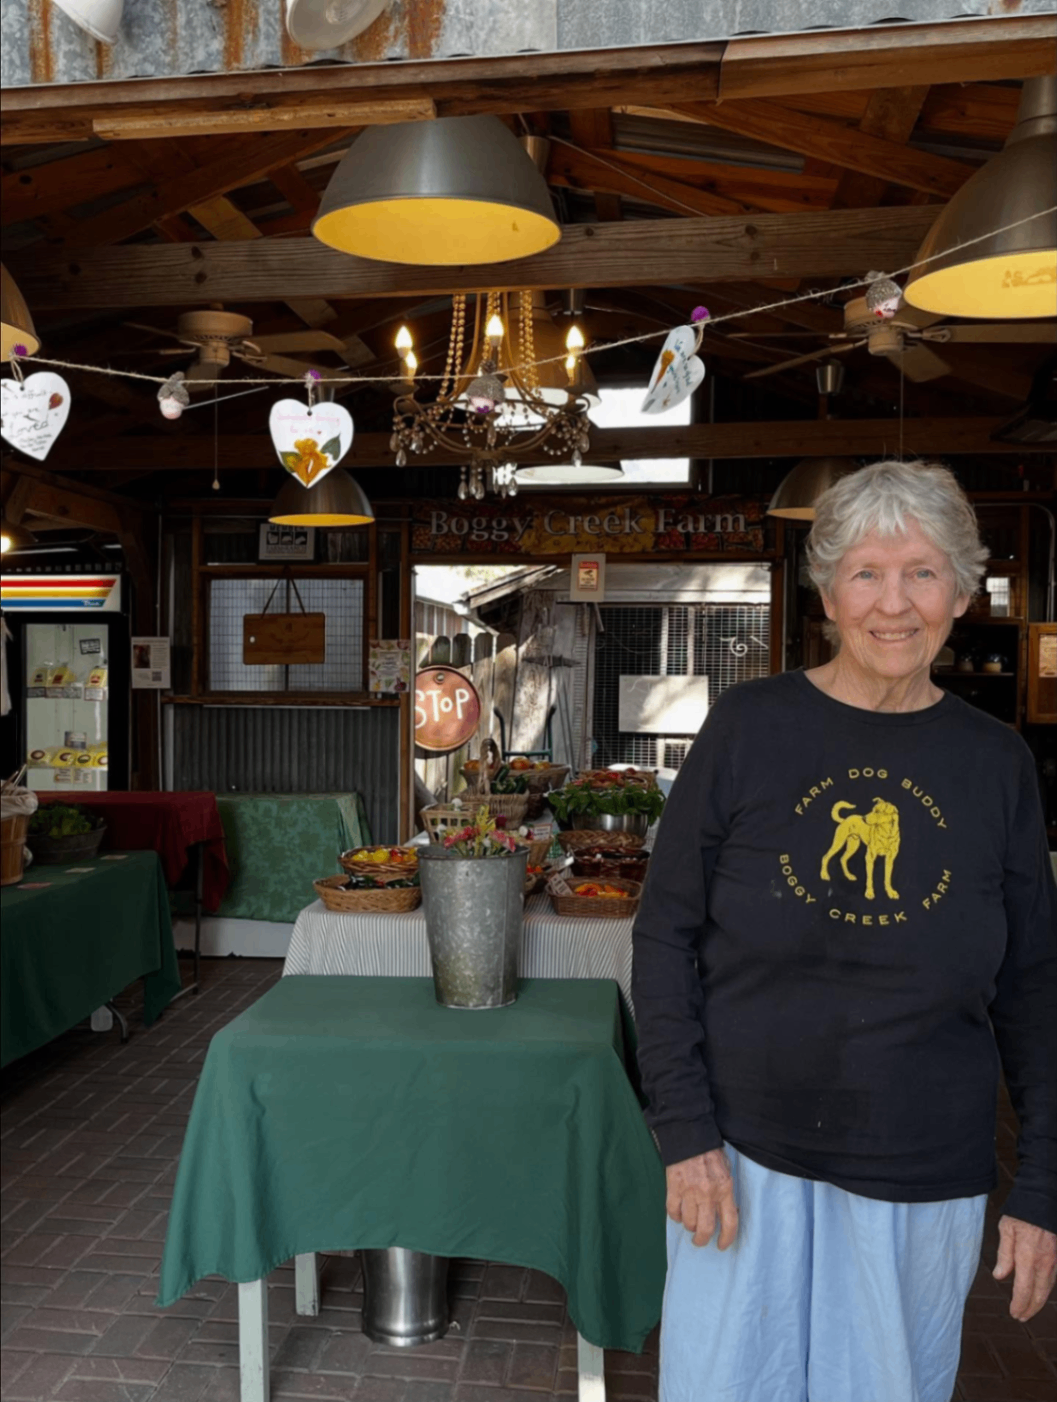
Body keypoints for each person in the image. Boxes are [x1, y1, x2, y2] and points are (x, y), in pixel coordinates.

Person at [632, 460, 1057, 1402]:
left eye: (922, 571)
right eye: (866, 573)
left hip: (922, 1171)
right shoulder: (747, 728)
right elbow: (663, 938)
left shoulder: (995, 763)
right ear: (827, 592)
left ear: (961, 589)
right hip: (740, 1163)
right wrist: (685, 1132)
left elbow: (1033, 984)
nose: (893, 604)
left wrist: (1042, 1188)